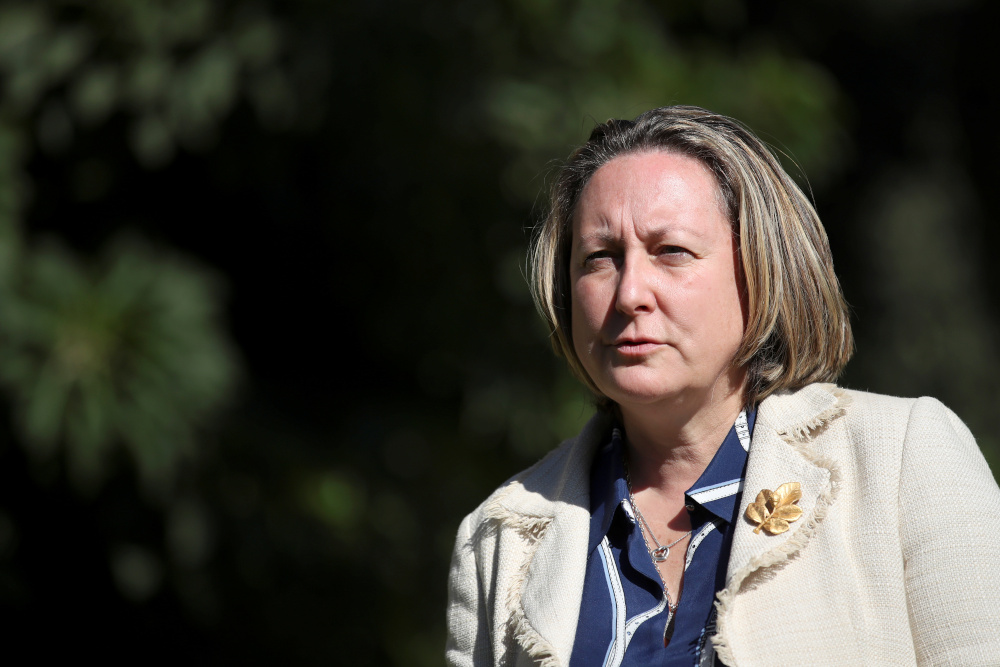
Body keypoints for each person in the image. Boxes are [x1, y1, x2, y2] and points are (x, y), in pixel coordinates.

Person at [445, 106, 1000, 666]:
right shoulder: (500, 537)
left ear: (762, 270)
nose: (630, 292)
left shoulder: (902, 459)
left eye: (672, 252)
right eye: (600, 258)